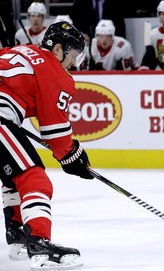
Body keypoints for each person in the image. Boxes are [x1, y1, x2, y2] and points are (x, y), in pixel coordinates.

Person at [0, 21, 92, 269]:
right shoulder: (55, 71)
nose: (74, 63)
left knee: (13, 174)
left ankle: (18, 233)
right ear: (59, 49)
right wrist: (73, 156)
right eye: (73, 55)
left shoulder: (22, 50)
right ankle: (39, 243)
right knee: (35, 178)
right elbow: (55, 132)